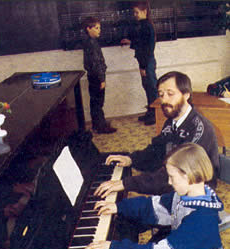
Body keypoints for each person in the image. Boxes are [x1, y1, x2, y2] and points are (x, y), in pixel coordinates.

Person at [83, 143, 225, 249]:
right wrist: (119, 207)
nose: (169, 182)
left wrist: (113, 248)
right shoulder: (183, 196)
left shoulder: (201, 221)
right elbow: (153, 207)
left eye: (171, 177)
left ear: (188, 175)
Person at [94, 71, 220, 199]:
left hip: (194, 194)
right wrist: (131, 159)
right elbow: (156, 151)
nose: (164, 100)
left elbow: (173, 175)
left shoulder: (199, 130)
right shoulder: (172, 121)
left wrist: (126, 183)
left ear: (186, 94)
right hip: (175, 182)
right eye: (161, 95)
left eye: (170, 94)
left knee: (132, 211)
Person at [121, 1, 158, 125]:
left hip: (147, 62)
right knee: (147, 87)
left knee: (151, 88)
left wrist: (143, 67)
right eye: (134, 12)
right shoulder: (142, 25)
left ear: (144, 11)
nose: (135, 15)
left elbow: (147, 48)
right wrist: (130, 41)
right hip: (145, 61)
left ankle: (154, 115)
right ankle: (150, 112)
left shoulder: (146, 25)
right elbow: (140, 41)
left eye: (137, 12)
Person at [82, 16, 117, 134]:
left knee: (95, 102)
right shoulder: (91, 44)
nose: (99, 30)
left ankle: (97, 124)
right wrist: (102, 79)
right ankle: (100, 127)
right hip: (97, 77)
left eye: (99, 28)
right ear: (88, 28)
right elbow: (96, 63)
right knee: (98, 103)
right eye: (96, 28)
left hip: (94, 76)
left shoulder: (90, 41)